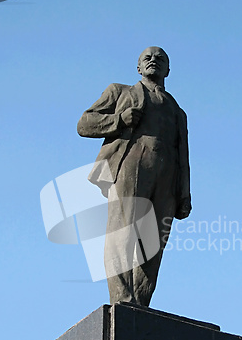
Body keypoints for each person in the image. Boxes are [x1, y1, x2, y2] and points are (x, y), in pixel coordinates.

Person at [77, 46, 191, 306]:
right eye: (147, 58)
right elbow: (84, 123)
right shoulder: (120, 92)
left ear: (168, 71)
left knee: (154, 243)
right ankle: (122, 297)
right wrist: (119, 120)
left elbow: (183, 154)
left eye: (160, 59)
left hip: (167, 174)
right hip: (131, 163)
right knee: (122, 232)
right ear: (138, 68)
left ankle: (140, 302)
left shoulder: (177, 111)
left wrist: (184, 193)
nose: (154, 61)